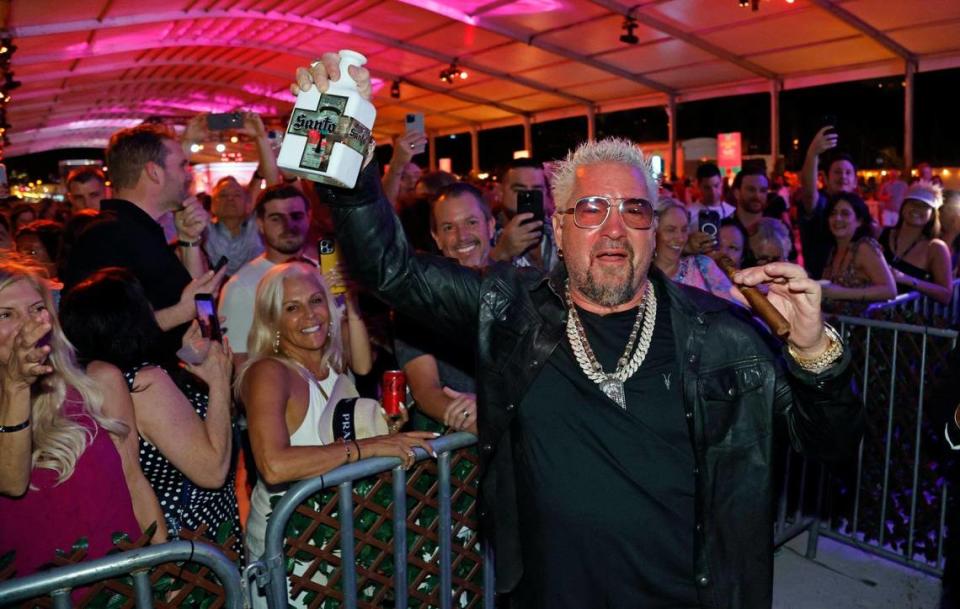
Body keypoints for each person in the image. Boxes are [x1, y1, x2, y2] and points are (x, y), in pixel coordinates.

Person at [292, 53, 862, 609]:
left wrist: (814, 351)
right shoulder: (511, 309)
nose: (615, 228)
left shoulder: (721, 336)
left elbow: (830, 442)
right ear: (559, 231)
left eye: (635, 210)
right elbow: (392, 269)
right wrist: (345, 151)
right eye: (591, 209)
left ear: (652, 227)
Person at [237, 262, 438, 609]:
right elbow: (273, 465)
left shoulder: (331, 368)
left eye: (316, 301)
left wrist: (383, 431)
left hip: (338, 536)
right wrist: (370, 446)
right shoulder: (268, 372)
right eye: (291, 308)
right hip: (290, 546)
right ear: (273, 322)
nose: (309, 315)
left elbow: (332, 437)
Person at [59, 268, 242, 556]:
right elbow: (213, 471)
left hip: (180, 534)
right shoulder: (145, 384)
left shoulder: (103, 380)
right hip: (194, 541)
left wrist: (192, 367)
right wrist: (219, 382)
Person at [0, 256, 141, 575]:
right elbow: (11, 481)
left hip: (121, 587)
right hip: (35, 591)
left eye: (37, 309)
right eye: (6, 314)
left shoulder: (93, 384)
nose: (29, 323)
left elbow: (133, 480)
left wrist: (165, 573)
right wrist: (17, 385)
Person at [62, 123, 226, 358]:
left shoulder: (143, 232)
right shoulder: (106, 235)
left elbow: (199, 306)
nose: (188, 175)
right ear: (154, 172)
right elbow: (94, 332)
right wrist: (181, 312)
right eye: (182, 165)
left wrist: (189, 241)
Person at [396, 183, 493, 433]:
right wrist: (480, 419)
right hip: (457, 456)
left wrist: (494, 411)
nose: (462, 236)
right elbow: (426, 392)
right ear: (436, 237)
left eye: (471, 222)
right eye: (449, 227)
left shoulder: (522, 287)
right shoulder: (416, 302)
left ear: (490, 226)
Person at [819, 193, 896, 314]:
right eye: (833, 213)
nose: (837, 218)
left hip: (863, 328)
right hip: (837, 327)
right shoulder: (832, 250)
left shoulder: (864, 247)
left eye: (845, 214)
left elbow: (889, 291)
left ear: (859, 221)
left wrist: (840, 293)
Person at [879, 181, 952, 304]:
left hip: (904, 319)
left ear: (933, 214)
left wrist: (907, 279)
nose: (917, 209)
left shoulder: (935, 247)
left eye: (924, 206)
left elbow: (946, 295)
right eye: (912, 203)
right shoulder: (880, 233)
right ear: (903, 206)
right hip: (870, 314)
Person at [798, 127, 858, 279]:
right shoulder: (821, 203)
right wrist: (813, 154)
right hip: (819, 289)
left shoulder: (859, 209)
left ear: (855, 181)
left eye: (848, 172)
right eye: (837, 172)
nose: (843, 176)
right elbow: (809, 193)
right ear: (826, 178)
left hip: (852, 292)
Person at [653, 200, 739, 303]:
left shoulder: (702, 266)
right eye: (670, 230)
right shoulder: (640, 274)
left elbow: (735, 307)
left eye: (684, 230)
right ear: (652, 232)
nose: (680, 238)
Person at [490, 158, 559, 272]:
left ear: (546, 193)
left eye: (536, 190)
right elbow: (471, 285)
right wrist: (501, 253)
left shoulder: (560, 232)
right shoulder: (485, 236)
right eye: (520, 190)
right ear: (500, 192)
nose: (529, 196)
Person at [686, 162, 735, 255]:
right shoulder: (688, 212)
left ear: (721, 183)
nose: (713, 192)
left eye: (716, 186)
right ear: (699, 186)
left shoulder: (731, 211)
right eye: (707, 188)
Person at [938, 189, 960, 273]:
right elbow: (938, 267)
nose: (954, 214)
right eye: (950, 208)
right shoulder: (926, 234)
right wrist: (952, 232)